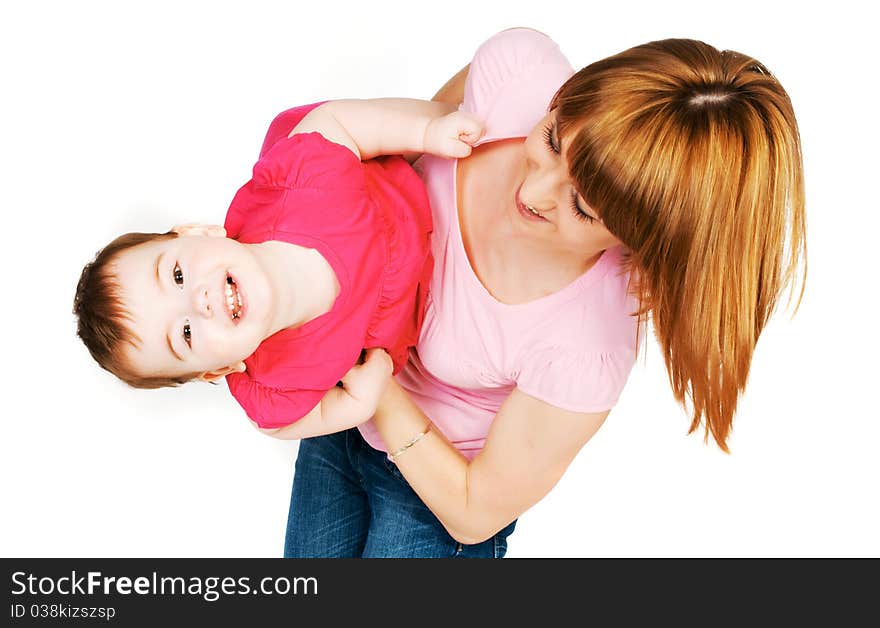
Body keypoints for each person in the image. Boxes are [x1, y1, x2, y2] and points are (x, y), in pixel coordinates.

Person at [281, 28, 806, 557]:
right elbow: (375, 173)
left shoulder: (588, 343)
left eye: (581, 207)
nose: (532, 191)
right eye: (553, 139)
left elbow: (474, 512)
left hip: (433, 497)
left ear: (636, 238)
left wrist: (374, 386)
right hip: (337, 420)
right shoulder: (514, 77)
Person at [73, 98, 484, 433]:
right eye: (184, 334)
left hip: (419, 202)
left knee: (304, 128)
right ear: (218, 369)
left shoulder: (300, 184)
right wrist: (355, 405)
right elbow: (278, 426)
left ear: (197, 233)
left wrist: (426, 133)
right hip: (433, 305)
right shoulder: (274, 384)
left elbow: (337, 123)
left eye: (178, 276)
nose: (199, 303)